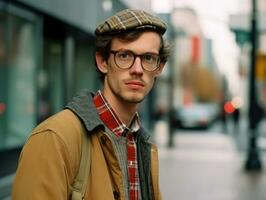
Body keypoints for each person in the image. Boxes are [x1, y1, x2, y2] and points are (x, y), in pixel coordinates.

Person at [12, 8, 170, 200]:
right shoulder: (55, 139)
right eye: (125, 56)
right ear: (102, 62)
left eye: (148, 58)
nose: (137, 69)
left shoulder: (145, 145)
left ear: (159, 68)